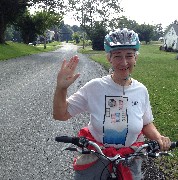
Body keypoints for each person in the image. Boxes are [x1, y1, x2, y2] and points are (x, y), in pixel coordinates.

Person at [53, 28, 171, 180]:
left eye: (129, 55)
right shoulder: (94, 87)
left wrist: (158, 138)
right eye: (117, 56)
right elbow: (60, 114)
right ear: (109, 58)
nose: (124, 62)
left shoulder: (141, 90)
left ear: (136, 58)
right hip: (96, 155)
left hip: (130, 157)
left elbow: (146, 123)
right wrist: (61, 88)